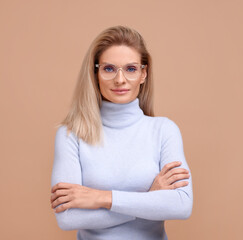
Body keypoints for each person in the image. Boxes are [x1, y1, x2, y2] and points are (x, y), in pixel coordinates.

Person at [50, 25, 193, 240]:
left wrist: (101, 198)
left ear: (143, 73)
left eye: (131, 69)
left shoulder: (164, 130)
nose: (120, 80)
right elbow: (67, 218)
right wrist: (149, 199)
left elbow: (182, 206)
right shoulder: (71, 134)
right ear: (95, 73)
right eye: (109, 68)